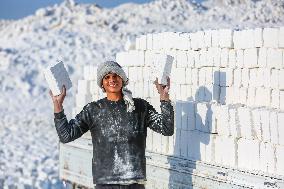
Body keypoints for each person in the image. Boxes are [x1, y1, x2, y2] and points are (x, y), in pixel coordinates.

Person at [49, 61, 174, 189]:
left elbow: (166, 128)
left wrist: (164, 98)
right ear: (102, 83)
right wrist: (58, 106)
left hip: (134, 184)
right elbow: (66, 135)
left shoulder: (140, 107)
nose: (112, 79)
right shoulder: (93, 110)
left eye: (116, 75)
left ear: (122, 79)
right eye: (107, 77)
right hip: (105, 184)